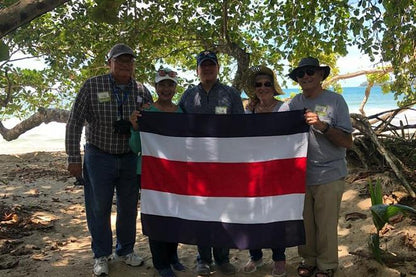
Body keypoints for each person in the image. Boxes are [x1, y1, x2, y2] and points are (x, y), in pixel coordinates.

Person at [65, 43, 152, 276]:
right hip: (98, 155)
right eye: (120, 60)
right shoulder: (92, 85)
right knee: (98, 208)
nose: (125, 65)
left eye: (129, 61)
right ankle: (101, 255)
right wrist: (73, 158)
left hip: (130, 158)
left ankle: (125, 250)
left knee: (128, 208)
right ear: (109, 63)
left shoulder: (143, 90)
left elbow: (153, 125)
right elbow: (74, 123)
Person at [179, 50, 244, 276]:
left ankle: (223, 258)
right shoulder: (187, 96)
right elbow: (175, 127)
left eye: (211, 65)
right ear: (197, 70)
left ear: (218, 68)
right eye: (203, 66)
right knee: (201, 212)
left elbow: (243, 128)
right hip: (196, 166)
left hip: (224, 165)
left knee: (223, 212)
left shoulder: (231, 94)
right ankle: (203, 259)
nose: (207, 69)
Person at [285, 57, 353, 277]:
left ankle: (327, 266)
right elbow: (273, 124)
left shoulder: (336, 101)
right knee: (305, 224)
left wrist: (323, 126)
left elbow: (347, 141)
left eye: (310, 71)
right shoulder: (293, 104)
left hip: (330, 173)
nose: (305, 76)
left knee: (325, 225)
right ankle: (309, 260)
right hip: (301, 176)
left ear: (321, 75)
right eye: (300, 73)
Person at [129, 67, 185, 277]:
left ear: (174, 88)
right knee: (156, 217)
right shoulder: (146, 113)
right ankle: (161, 263)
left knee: (175, 216)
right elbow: (135, 148)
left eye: (170, 85)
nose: (166, 89)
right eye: (162, 84)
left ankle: (173, 256)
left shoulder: (181, 113)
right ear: (156, 87)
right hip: (149, 174)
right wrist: (135, 128)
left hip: (175, 175)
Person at [242, 65, 287, 277]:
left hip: (277, 172)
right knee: (252, 216)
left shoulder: (284, 109)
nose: (263, 88)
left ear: (273, 86)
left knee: (275, 216)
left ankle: (279, 259)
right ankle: (256, 257)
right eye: (258, 84)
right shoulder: (247, 110)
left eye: (267, 84)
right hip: (251, 171)